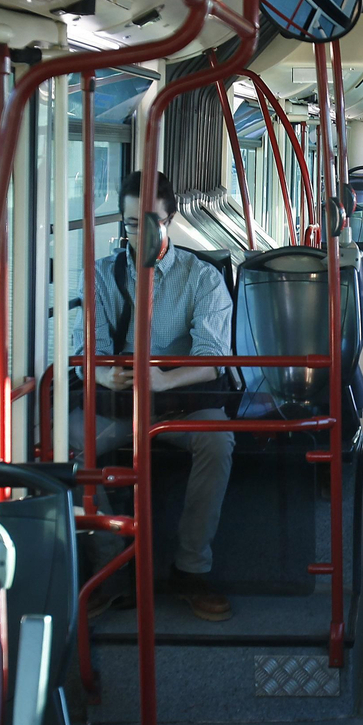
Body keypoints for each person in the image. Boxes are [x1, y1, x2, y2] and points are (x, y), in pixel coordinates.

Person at [70, 171, 236, 622]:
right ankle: (110, 568)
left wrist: (164, 379)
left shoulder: (201, 279)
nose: (135, 235)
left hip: (180, 400)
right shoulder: (102, 276)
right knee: (66, 448)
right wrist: (105, 379)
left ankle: (189, 567)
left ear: (170, 220)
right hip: (121, 399)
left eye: (147, 223)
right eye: (127, 224)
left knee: (218, 442)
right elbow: (90, 351)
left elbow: (212, 358)